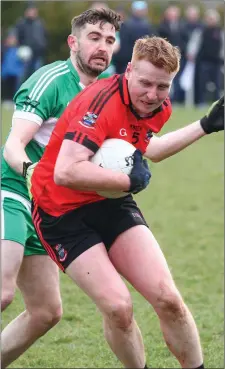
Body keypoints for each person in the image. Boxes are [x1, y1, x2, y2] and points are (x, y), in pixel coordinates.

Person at [29, 36, 224, 368]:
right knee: (119, 308)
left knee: (168, 299)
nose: (152, 94)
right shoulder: (99, 103)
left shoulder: (158, 107)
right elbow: (65, 172)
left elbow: (151, 149)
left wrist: (205, 125)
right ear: (130, 70)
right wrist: (127, 180)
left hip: (110, 202)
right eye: (145, 82)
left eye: (162, 86)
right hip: (60, 213)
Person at [1, 8, 120, 368]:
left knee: (46, 311)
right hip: (14, 192)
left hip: (48, 208)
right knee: (3, 292)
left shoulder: (104, 92)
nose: (102, 47)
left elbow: (150, 146)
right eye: (94, 38)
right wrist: (32, 173)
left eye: (110, 40)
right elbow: (12, 146)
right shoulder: (51, 79)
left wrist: (204, 125)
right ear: (74, 42)